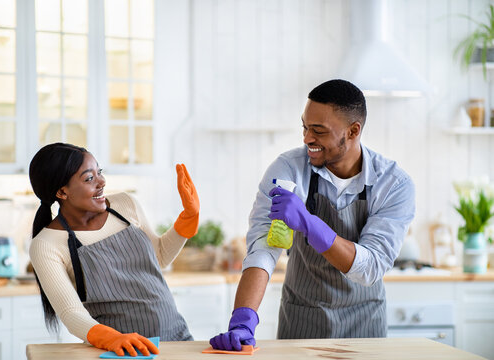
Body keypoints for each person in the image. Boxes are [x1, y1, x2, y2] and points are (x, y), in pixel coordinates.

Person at [210, 79, 415, 350]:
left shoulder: (393, 184)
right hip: (301, 321)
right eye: (305, 127)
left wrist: (309, 224)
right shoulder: (288, 170)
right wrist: (243, 319)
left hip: (364, 325)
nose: (307, 138)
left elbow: (371, 267)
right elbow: (264, 247)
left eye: (318, 130)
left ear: (353, 131)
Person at [29, 142, 200, 357]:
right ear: (62, 192)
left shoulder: (125, 205)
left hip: (177, 340)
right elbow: (71, 312)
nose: (102, 182)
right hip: (121, 352)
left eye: (99, 172)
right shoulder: (47, 244)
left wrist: (188, 218)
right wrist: (112, 338)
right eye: (89, 178)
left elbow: (160, 257)